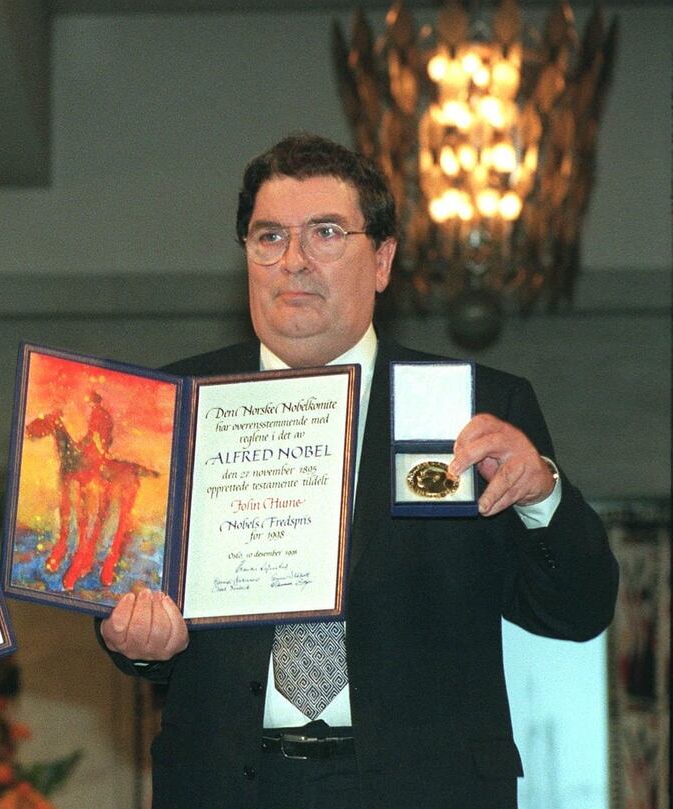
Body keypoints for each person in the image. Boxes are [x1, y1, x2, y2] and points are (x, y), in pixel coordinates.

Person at [98, 133, 618, 809]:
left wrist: (541, 494)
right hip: (225, 785)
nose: (293, 261)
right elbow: (126, 606)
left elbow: (577, 610)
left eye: (326, 232)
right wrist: (138, 643)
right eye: (268, 237)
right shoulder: (174, 405)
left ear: (382, 260)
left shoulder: (477, 407)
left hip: (427, 787)